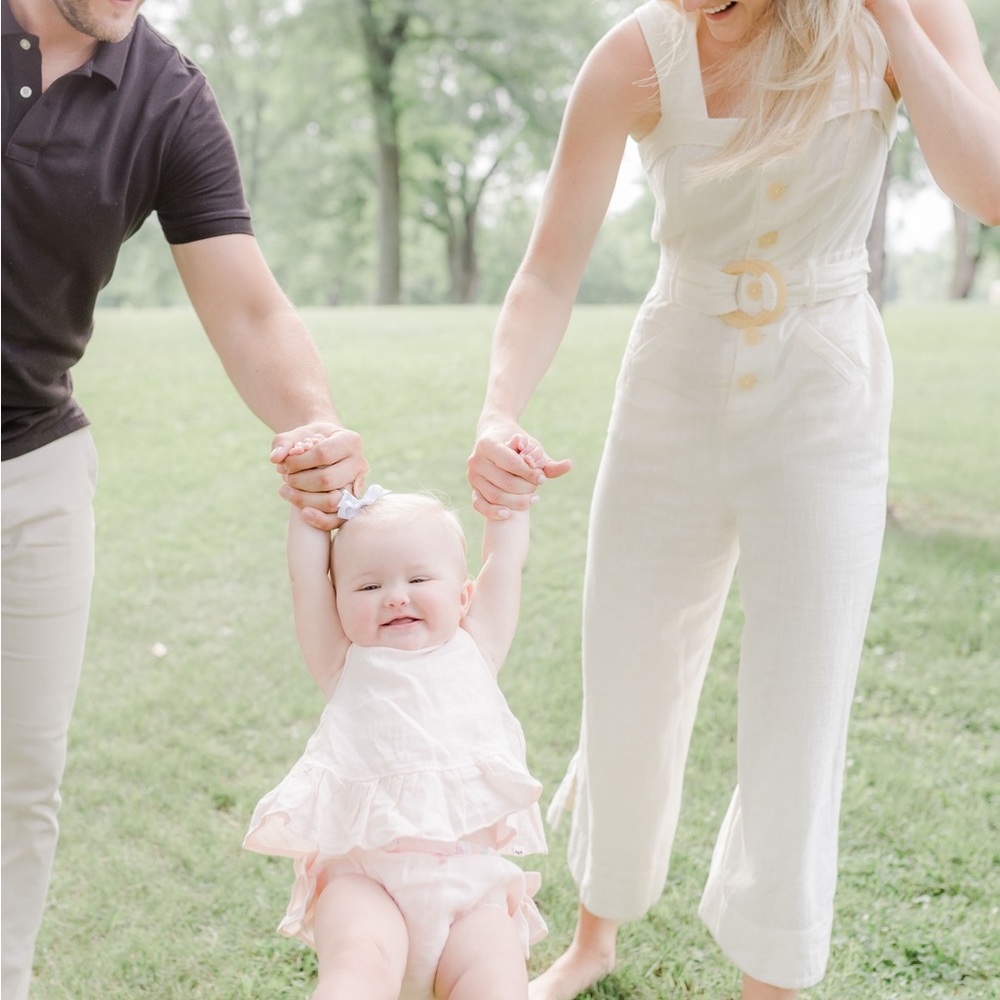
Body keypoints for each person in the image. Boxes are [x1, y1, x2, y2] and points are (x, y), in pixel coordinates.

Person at [466, 0, 1000, 997]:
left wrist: (888, 14)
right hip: (674, 370)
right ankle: (594, 935)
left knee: (801, 693)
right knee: (628, 663)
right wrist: (499, 409)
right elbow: (548, 268)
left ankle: (771, 979)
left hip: (824, 382)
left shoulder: (905, 17)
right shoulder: (634, 52)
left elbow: (990, 186)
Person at [1, 2, 368, 997]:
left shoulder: (164, 95)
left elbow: (249, 309)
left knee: (18, 781)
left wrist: (319, 432)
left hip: (30, 464)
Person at [244, 438, 549, 1000]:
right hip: (367, 881)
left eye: (418, 579)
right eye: (368, 585)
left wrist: (511, 497)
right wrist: (310, 499)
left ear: (463, 597)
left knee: (498, 984)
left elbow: (504, 561)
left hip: (471, 889)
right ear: (339, 603)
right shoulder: (344, 661)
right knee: (359, 968)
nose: (395, 597)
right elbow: (307, 577)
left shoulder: (476, 649)